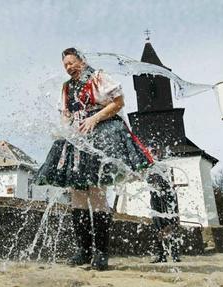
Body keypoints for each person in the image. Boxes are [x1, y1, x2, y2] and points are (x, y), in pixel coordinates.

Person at [35, 47, 154, 270]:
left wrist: (94, 119)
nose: (69, 67)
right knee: (77, 194)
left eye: (72, 62)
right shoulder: (66, 87)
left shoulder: (98, 76)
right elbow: (66, 114)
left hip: (101, 135)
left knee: (97, 192)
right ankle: (83, 250)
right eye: (65, 65)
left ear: (81, 60)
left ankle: (101, 252)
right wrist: (63, 131)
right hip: (77, 139)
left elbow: (118, 102)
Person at [147, 169, 181, 263]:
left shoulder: (161, 171)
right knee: (157, 227)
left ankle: (174, 254)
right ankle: (161, 255)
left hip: (164, 200)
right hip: (155, 201)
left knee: (169, 225)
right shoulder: (149, 173)